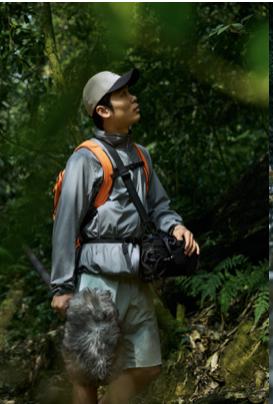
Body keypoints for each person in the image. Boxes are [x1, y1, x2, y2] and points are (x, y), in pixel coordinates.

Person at [51, 68, 200, 404]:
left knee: (148, 367)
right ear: (103, 111)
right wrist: (62, 287)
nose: (133, 98)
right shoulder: (85, 160)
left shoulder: (141, 155)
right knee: (86, 374)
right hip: (98, 283)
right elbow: (65, 225)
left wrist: (175, 225)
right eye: (123, 94)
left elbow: (159, 206)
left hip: (138, 277)